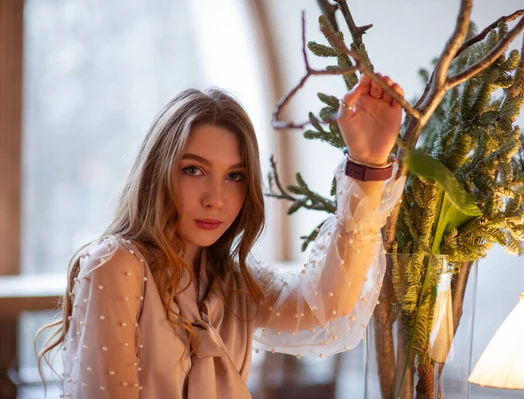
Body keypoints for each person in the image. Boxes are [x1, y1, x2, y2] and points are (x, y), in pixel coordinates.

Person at [35, 73, 405, 398]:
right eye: (193, 170)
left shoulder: (231, 280)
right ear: (157, 171)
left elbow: (325, 303)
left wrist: (368, 163)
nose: (215, 200)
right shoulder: (116, 265)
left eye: (235, 176)